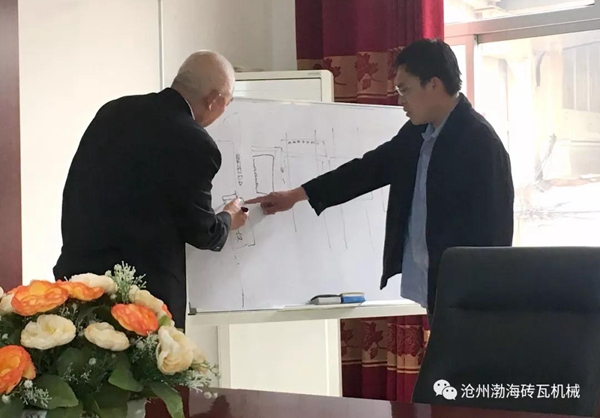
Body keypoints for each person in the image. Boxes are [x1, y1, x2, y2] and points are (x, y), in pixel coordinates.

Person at [246, 39, 514, 324]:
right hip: (436, 284)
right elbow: (368, 169)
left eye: (405, 89)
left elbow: (495, 233)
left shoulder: (480, 142)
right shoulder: (417, 133)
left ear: (433, 84)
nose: (400, 100)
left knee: (454, 354)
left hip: (467, 295)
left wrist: (483, 301)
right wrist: (298, 194)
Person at [53, 51, 248, 328]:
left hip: (78, 281)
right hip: (142, 302)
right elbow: (202, 231)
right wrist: (229, 217)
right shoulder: (196, 143)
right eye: (227, 103)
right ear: (214, 100)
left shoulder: (113, 110)